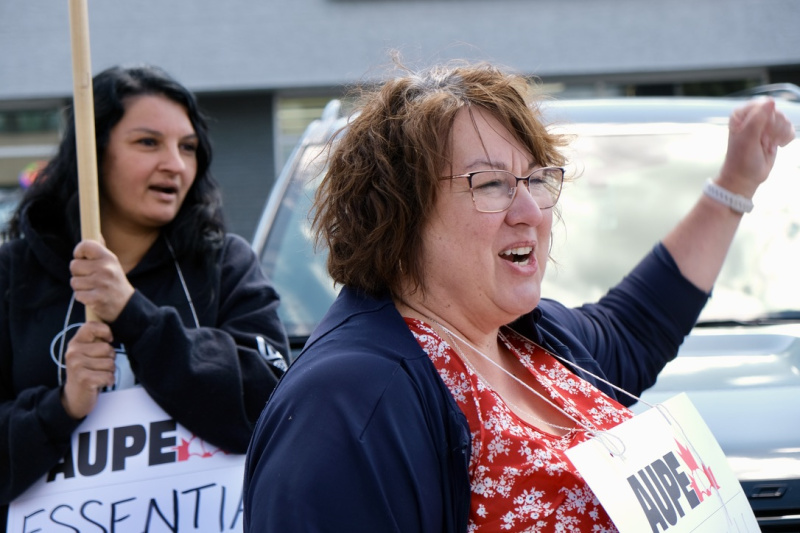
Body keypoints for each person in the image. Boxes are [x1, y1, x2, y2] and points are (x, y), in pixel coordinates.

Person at [243, 61, 794, 532]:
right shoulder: (347, 404)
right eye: (489, 184)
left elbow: (637, 325)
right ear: (399, 216)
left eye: (534, 180)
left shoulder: (526, 341)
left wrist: (736, 184)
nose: (529, 211)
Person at [0, 64, 290, 527]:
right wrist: (62, 407)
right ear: (93, 153)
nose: (175, 164)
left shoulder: (226, 266)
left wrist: (135, 316)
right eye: (148, 142)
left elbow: (272, 409)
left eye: (188, 147)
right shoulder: (14, 272)